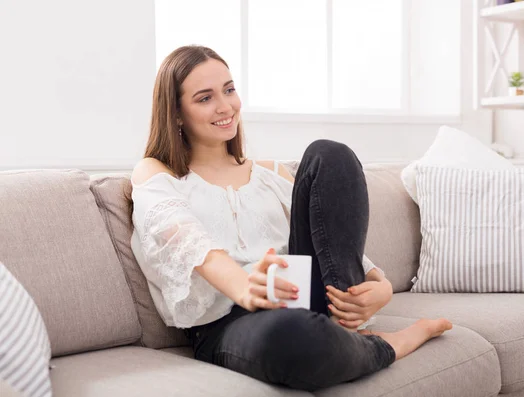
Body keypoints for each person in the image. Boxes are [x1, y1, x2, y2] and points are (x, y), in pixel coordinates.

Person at [129, 45, 452, 392]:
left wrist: (381, 287)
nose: (225, 106)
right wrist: (243, 285)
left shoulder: (269, 173)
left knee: (330, 154)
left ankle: (343, 330)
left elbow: (330, 236)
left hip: (309, 298)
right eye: (205, 98)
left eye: (229, 89)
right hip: (231, 324)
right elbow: (188, 240)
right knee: (291, 337)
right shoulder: (157, 173)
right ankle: (387, 345)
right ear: (176, 113)